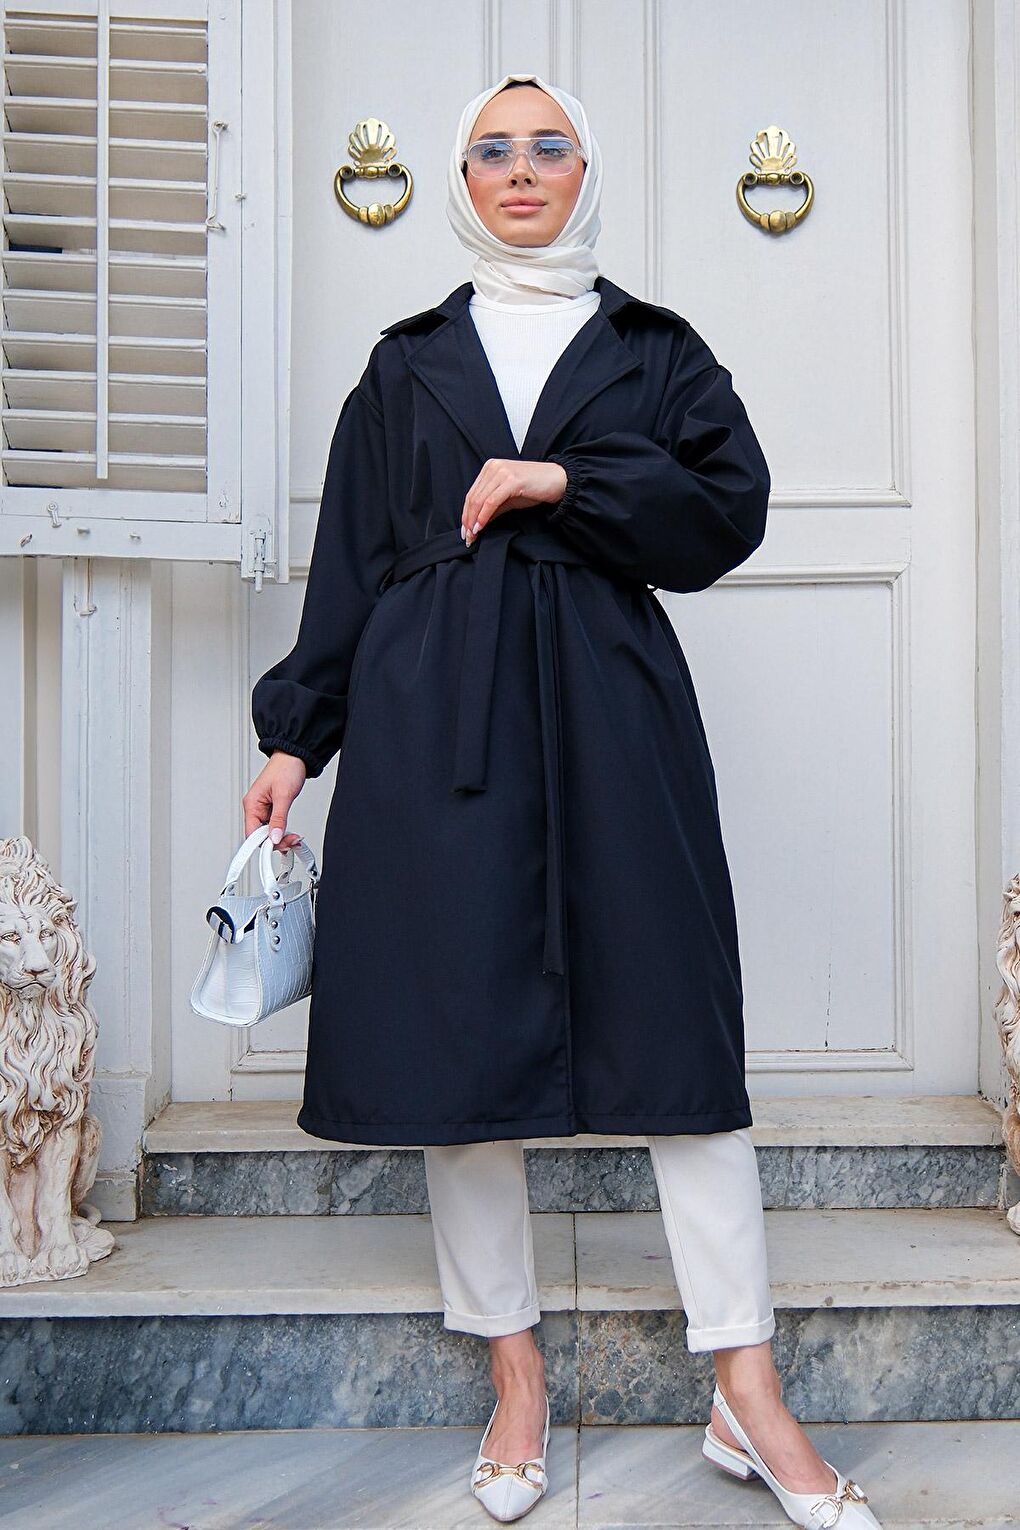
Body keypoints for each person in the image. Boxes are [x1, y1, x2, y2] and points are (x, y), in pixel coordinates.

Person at [245, 72, 882, 1529]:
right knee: (460, 1048)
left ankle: (748, 1387)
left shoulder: (655, 348)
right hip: (437, 722)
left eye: (549, 147)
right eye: (494, 149)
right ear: (461, 178)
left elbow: (725, 511)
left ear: (584, 172)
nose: (521, 168)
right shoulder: (406, 365)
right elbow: (350, 564)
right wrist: (295, 737)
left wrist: (562, 482)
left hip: (611, 712)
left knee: (681, 1040)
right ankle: (516, 1377)